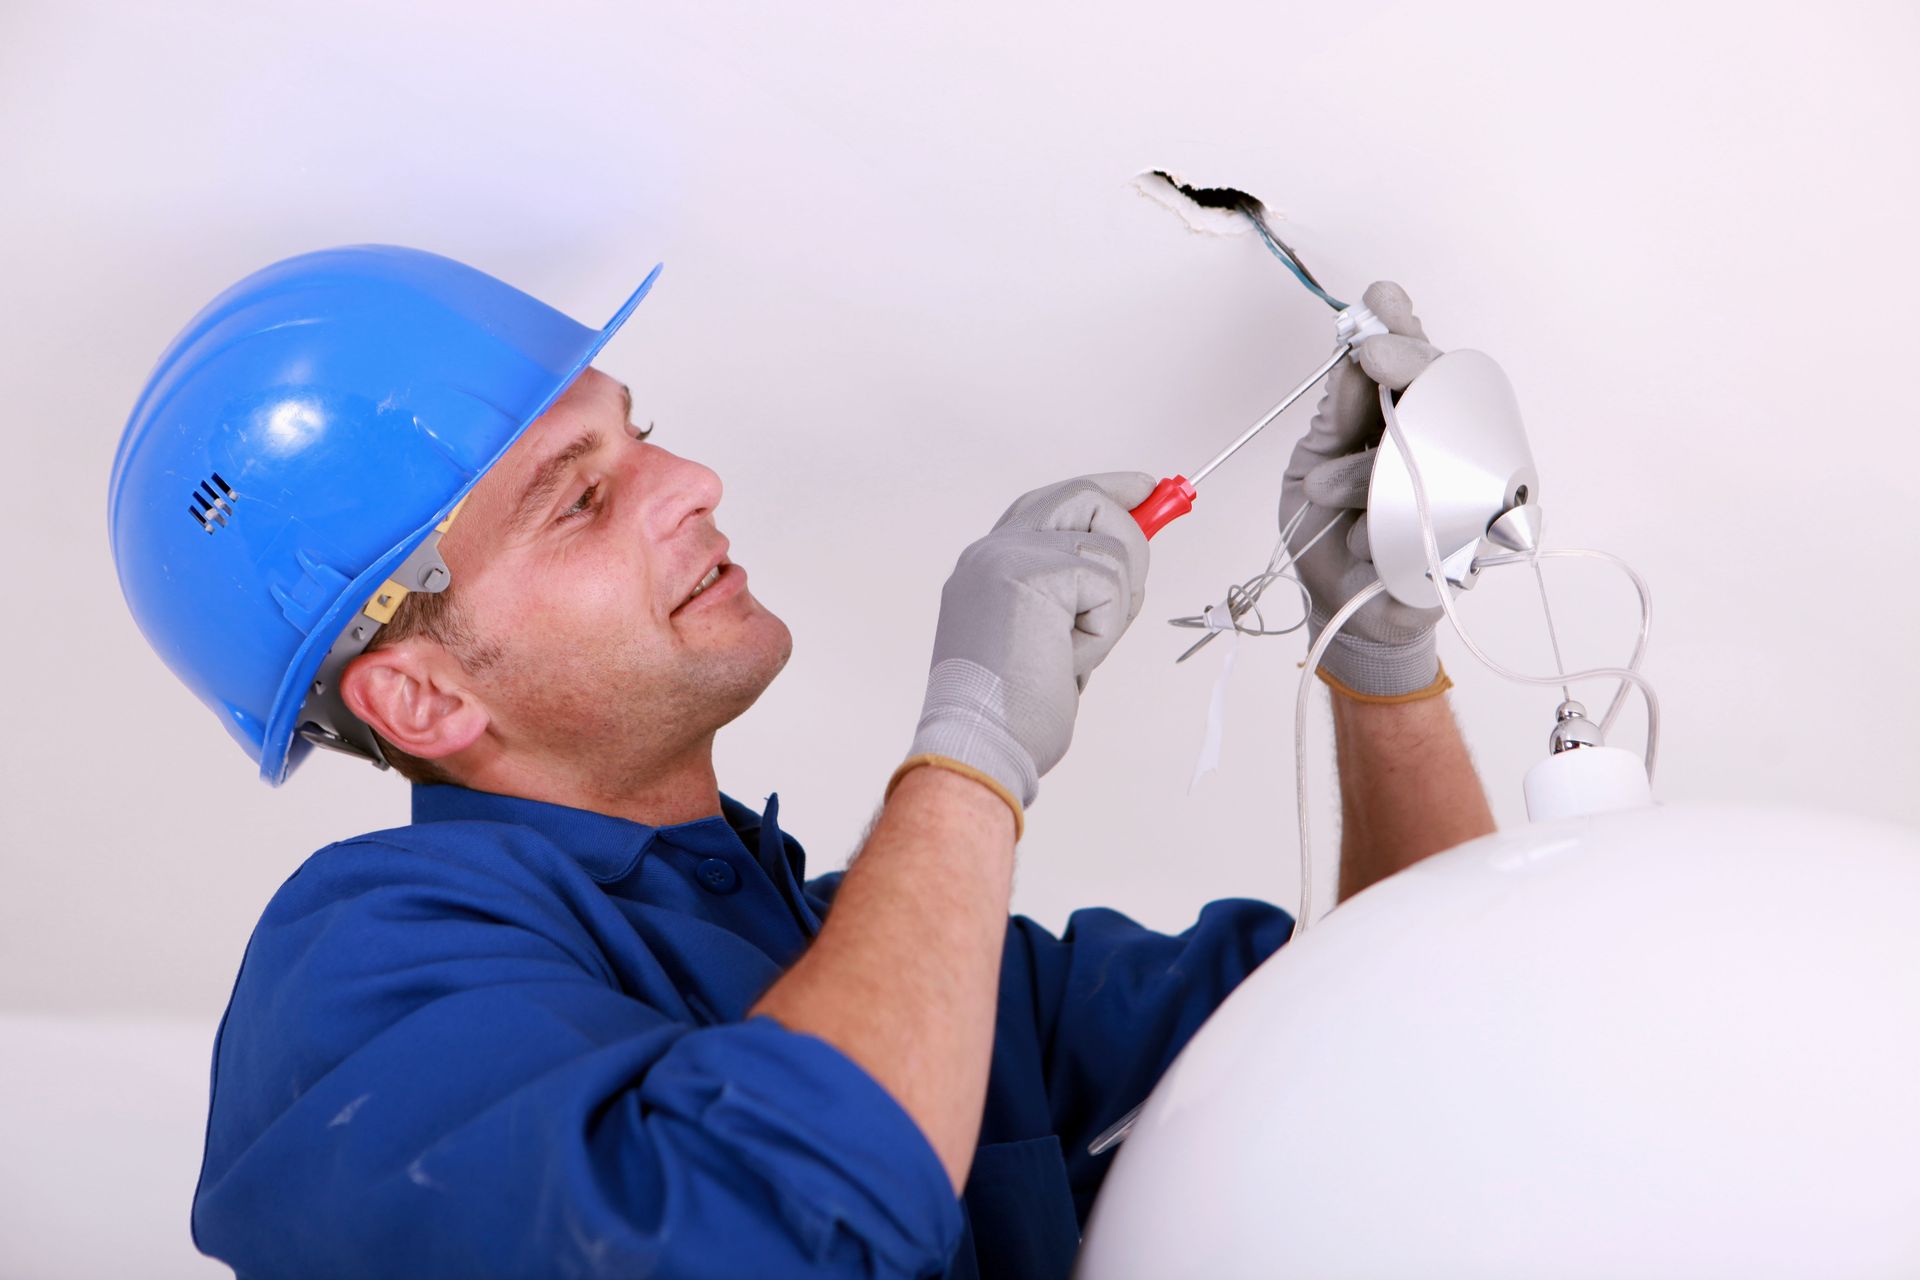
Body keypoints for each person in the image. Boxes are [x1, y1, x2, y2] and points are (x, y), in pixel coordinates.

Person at [109, 247, 1494, 1279]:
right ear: (419, 694)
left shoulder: (886, 959)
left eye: (636, 437)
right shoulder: (362, 973)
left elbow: (1404, 1035)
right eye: (580, 497)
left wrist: (1376, 643)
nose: (691, 479)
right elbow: (770, 1226)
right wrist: (973, 751)